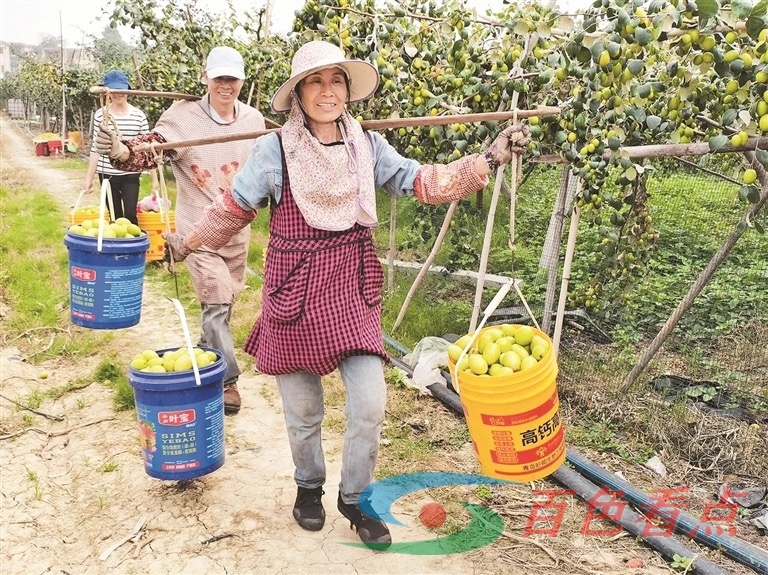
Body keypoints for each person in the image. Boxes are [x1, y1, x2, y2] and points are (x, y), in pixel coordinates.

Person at [162, 40, 529, 548]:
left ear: (348, 90)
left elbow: (423, 182)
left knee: (370, 405)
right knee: (305, 411)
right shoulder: (274, 150)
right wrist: (188, 241)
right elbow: (234, 207)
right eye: (315, 81)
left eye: (336, 80)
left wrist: (488, 158)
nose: (327, 91)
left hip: (351, 290)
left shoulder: (367, 147)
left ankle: (355, 499)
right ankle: (308, 487)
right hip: (295, 292)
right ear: (298, 95)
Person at [94, 47, 266, 415]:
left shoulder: (254, 120)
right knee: (217, 302)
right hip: (198, 232)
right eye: (219, 77)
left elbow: (268, 165)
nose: (225, 85)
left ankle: (205, 352)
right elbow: (154, 148)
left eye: (232, 79)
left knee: (223, 303)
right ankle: (228, 381)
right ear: (205, 75)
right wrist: (125, 152)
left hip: (238, 231)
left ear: (241, 80)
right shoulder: (183, 117)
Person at [84, 70, 159, 225]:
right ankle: (116, 249)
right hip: (107, 174)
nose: (118, 94)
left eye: (121, 90)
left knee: (130, 215)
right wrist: (89, 178)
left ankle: (132, 248)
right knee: (114, 216)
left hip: (131, 173)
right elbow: (96, 149)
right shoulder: (101, 115)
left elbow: (148, 150)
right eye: (114, 91)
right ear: (107, 92)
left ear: (127, 90)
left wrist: (154, 180)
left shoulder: (138, 116)